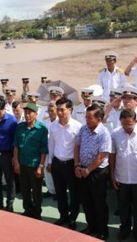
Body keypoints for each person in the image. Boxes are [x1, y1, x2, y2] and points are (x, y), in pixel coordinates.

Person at [110, 109, 137, 242]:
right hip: (121, 178)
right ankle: (125, 229)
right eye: (124, 124)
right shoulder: (115, 133)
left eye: (130, 125)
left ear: (136, 122)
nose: (127, 127)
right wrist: (112, 175)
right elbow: (113, 155)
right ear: (120, 121)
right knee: (123, 207)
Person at [74, 104, 112, 240]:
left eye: (90, 118)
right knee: (86, 200)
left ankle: (102, 230)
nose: (87, 120)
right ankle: (91, 226)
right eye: (86, 117)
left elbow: (101, 156)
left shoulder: (104, 133)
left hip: (97, 173)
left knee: (99, 201)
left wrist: (88, 170)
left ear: (99, 119)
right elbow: (77, 146)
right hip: (83, 169)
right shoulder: (83, 129)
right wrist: (76, 166)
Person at [47, 98, 81, 229]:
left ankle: (72, 218)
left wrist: (77, 165)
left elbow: (79, 148)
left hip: (71, 164)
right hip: (57, 164)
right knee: (60, 193)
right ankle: (63, 216)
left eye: (62, 110)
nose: (59, 112)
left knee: (74, 193)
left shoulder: (77, 127)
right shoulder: (53, 126)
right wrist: (50, 162)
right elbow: (51, 145)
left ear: (70, 110)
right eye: (58, 109)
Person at [13, 102, 48, 220]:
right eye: (26, 112)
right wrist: (16, 162)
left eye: (30, 113)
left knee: (37, 191)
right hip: (22, 164)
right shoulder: (20, 127)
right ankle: (27, 210)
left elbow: (44, 149)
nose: (27, 115)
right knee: (24, 189)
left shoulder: (42, 129)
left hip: (35, 165)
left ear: (36, 114)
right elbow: (16, 145)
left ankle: (37, 212)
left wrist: (41, 166)